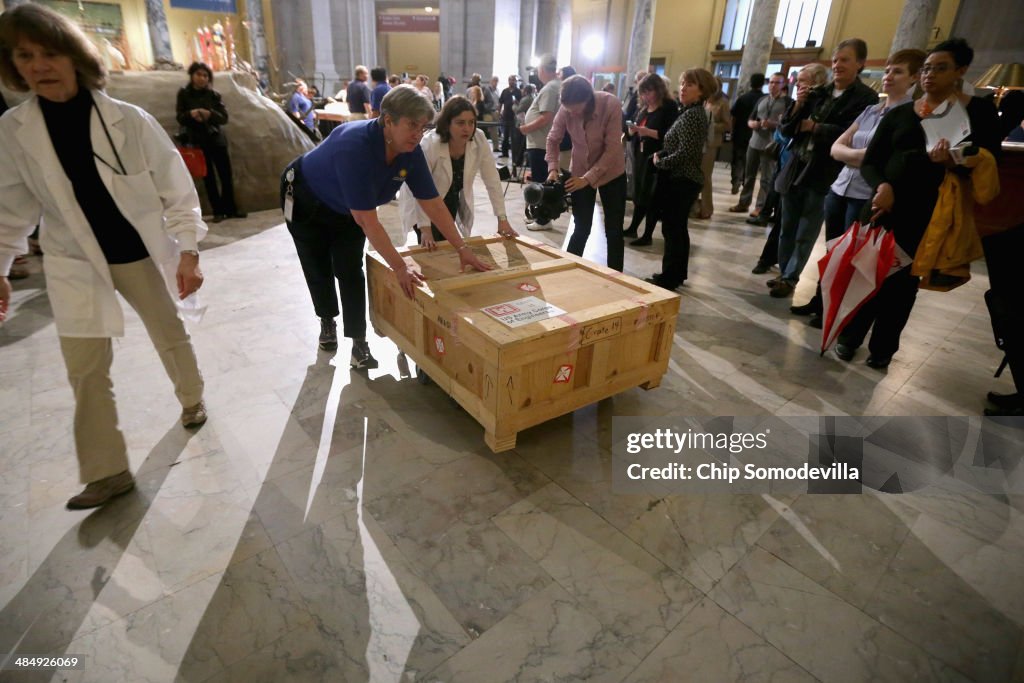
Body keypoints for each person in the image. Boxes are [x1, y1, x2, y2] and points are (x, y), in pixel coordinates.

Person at [0, 4, 208, 509]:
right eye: (24, 55)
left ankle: (192, 398)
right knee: (85, 367)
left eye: (49, 53)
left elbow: (175, 188)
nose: (38, 66)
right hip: (72, 260)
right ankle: (107, 470)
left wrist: (188, 251)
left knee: (168, 332)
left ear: (75, 56)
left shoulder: (128, 121)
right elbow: (13, 206)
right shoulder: (15, 129)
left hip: (134, 252)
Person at [280, 86, 491, 368]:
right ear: (388, 120)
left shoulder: (410, 150)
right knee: (317, 264)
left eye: (422, 126)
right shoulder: (354, 146)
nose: (418, 134)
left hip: (349, 208)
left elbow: (432, 203)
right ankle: (327, 320)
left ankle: (358, 343)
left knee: (351, 269)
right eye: (411, 125)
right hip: (306, 199)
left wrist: (462, 248)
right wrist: (400, 266)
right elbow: (369, 221)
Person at [834, 38, 1001, 369]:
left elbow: (987, 160)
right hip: (884, 205)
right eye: (926, 68)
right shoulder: (899, 114)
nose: (929, 75)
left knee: (902, 285)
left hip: (928, 212)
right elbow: (872, 160)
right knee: (868, 274)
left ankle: (883, 348)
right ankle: (849, 337)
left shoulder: (973, 111)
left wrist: (955, 161)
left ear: (960, 71)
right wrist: (881, 185)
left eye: (940, 69)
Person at [790, 49, 925, 327]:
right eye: (887, 70)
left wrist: (860, 156)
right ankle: (820, 301)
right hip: (841, 187)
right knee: (832, 250)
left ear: (914, 78)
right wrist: (862, 156)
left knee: (852, 256)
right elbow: (837, 147)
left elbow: (882, 158)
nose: (888, 76)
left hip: (867, 192)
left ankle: (836, 308)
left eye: (897, 71)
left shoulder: (911, 114)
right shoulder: (871, 109)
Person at [770, 39, 879, 299]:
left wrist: (815, 128)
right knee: (787, 226)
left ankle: (790, 277)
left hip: (826, 172)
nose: (838, 65)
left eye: (845, 60)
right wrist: (797, 105)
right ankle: (784, 272)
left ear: (860, 64)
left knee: (806, 230)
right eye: (835, 60)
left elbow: (854, 135)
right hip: (797, 166)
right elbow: (786, 128)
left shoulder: (866, 98)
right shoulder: (818, 93)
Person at [400, 96, 517, 244]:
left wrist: (502, 219)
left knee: (449, 245)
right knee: (432, 248)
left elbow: (492, 180)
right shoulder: (430, 144)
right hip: (421, 201)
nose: (467, 128)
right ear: (447, 123)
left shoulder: (479, 139)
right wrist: (425, 229)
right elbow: (419, 190)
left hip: (451, 198)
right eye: (460, 123)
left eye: (471, 122)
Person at [546, 75, 628, 271]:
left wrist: (588, 179)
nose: (572, 113)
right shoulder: (566, 109)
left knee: (614, 230)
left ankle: (616, 278)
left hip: (612, 172)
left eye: (577, 109)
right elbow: (553, 139)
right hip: (580, 169)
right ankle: (569, 272)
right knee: (581, 227)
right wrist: (553, 167)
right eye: (568, 109)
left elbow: (613, 149)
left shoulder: (610, 104)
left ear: (588, 100)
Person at [645, 68, 714, 290]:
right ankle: (677, 273)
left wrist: (660, 162)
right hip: (682, 178)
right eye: (683, 83)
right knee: (677, 228)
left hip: (683, 179)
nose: (683, 88)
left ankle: (669, 277)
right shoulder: (689, 111)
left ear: (702, 91)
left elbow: (687, 153)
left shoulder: (694, 115)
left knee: (673, 229)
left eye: (690, 85)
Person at [176, 62, 245, 223]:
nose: (202, 78)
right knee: (209, 179)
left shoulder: (214, 95)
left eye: (205, 75)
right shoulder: (184, 95)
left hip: (217, 140)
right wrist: (190, 114)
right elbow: (179, 117)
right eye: (199, 74)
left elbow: (224, 118)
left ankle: (231, 208)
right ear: (192, 75)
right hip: (198, 141)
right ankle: (218, 211)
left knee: (226, 175)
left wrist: (209, 114)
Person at [623, 72, 679, 245]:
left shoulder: (669, 107)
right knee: (640, 194)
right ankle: (633, 228)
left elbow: (670, 135)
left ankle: (647, 235)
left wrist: (647, 132)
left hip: (657, 156)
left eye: (649, 92)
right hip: (641, 156)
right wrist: (632, 131)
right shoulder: (644, 107)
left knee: (652, 197)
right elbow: (636, 129)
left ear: (658, 90)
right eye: (643, 93)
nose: (645, 96)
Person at [731, 72, 790, 217]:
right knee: (749, 175)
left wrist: (773, 124)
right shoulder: (762, 99)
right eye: (771, 82)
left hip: (771, 144)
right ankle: (743, 203)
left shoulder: (788, 102)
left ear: (783, 85)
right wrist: (753, 124)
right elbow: (750, 119)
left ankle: (760, 207)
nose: (773, 85)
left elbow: (789, 125)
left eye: (777, 82)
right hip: (754, 142)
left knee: (766, 178)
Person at [519, 53, 561, 230]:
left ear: (542, 70)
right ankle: (539, 215)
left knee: (541, 183)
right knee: (540, 181)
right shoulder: (552, 86)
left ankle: (543, 220)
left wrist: (526, 128)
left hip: (541, 143)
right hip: (540, 142)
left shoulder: (550, 88)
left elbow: (546, 117)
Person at [695, 76, 732, 220]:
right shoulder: (704, 101)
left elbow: (727, 125)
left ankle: (707, 208)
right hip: (699, 141)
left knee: (705, 177)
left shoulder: (722, 103)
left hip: (711, 143)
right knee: (696, 176)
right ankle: (695, 206)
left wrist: (710, 126)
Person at [730, 73, 765, 194]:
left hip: (740, 133)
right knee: (750, 164)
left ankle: (735, 181)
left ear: (750, 83)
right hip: (756, 136)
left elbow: (733, 116)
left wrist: (732, 131)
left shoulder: (742, 98)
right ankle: (746, 184)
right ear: (763, 83)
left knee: (737, 160)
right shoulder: (764, 99)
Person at [498, 74, 521, 158]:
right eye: (510, 80)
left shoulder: (518, 91)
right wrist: (499, 111)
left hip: (514, 117)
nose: (512, 81)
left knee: (514, 137)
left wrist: (517, 103)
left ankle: (515, 154)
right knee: (505, 136)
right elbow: (500, 102)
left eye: (514, 80)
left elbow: (521, 104)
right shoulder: (505, 91)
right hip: (506, 116)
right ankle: (505, 153)